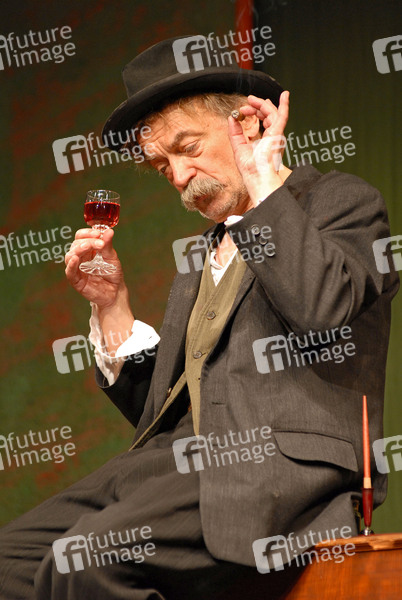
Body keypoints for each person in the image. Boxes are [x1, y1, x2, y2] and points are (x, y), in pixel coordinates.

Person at [0, 35, 399, 600]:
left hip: (274, 467)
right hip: (170, 467)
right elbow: (174, 406)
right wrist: (112, 306)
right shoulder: (201, 255)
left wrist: (263, 185)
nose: (180, 175)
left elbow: (323, 309)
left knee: (84, 561)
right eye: (162, 166)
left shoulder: (341, 202)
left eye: (188, 147)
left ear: (248, 124)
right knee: (8, 563)